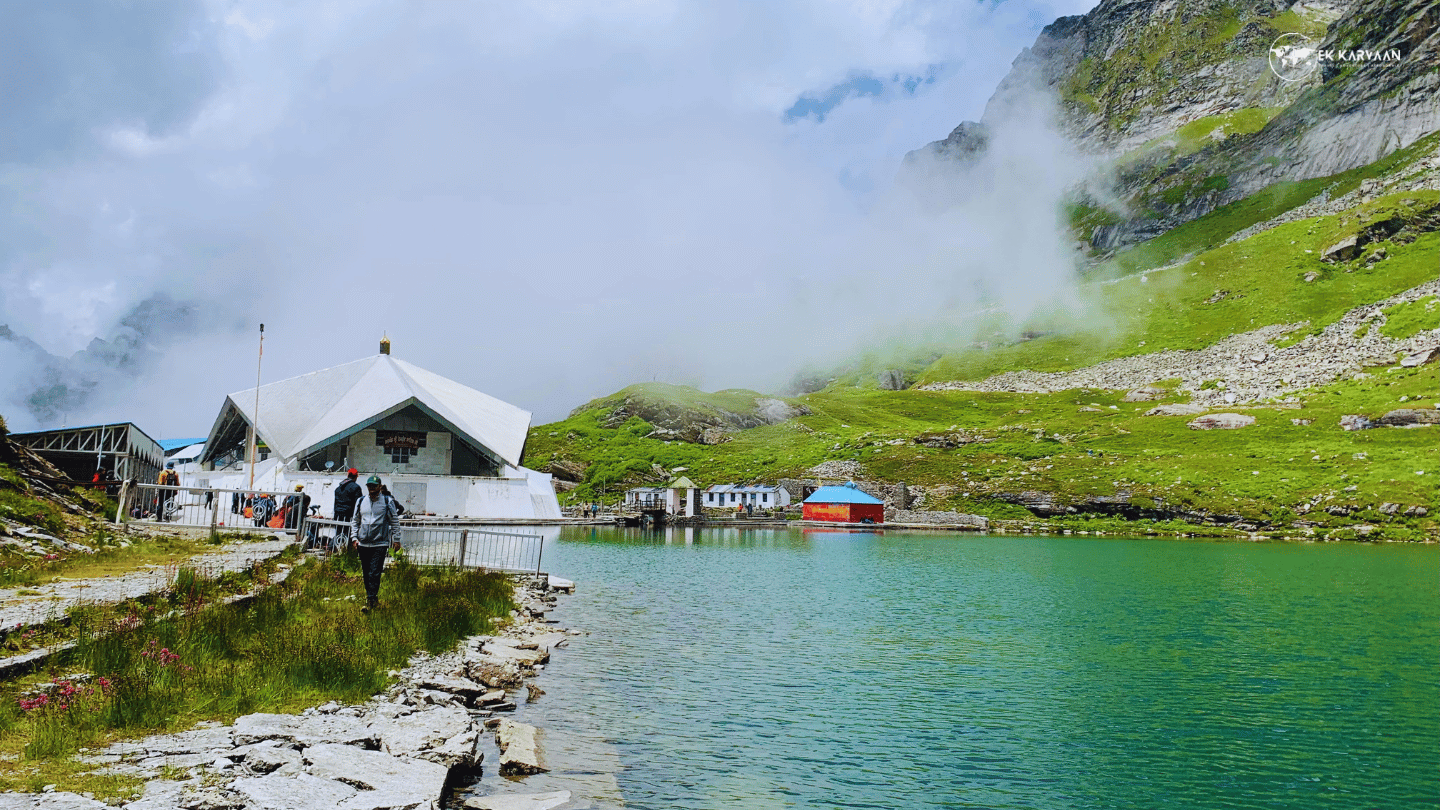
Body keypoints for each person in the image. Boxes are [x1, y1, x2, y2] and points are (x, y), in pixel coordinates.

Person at [351, 475, 401, 613]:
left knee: (374, 572)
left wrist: (396, 539)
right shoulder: (361, 501)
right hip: (363, 543)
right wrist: (354, 538)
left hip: (380, 543)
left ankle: (371, 599)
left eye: (374, 486)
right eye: (369, 486)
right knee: (366, 572)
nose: (372, 489)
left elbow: (394, 521)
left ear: (380, 487)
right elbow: (355, 520)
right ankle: (370, 597)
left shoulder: (387, 501)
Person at [332, 468, 363, 551]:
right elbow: (358, 503)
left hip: (338, 515)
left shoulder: (338, 488)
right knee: (350, 535)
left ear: (347, 475)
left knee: (339, 535)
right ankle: (348, 553)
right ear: (356, 476)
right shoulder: (356, 487)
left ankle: (338, 551)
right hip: (349, 515)